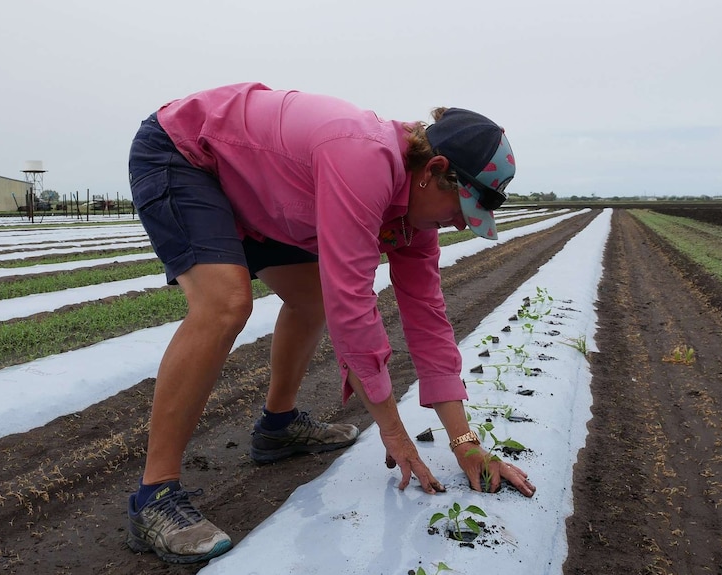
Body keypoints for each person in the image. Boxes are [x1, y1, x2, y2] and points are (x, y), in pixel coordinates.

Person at [125, 82, 536, 564]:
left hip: (261, 193)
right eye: (462, 209)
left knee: (312, 298)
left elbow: (428, 322)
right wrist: (393, 430)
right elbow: (353, 305)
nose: (463, 225)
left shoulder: (413, 222)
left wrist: (465, 444)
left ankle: (277, 427)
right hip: (187, 154)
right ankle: (154, 496)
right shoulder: (364, 161)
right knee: (225, 304)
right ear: (435, 170)